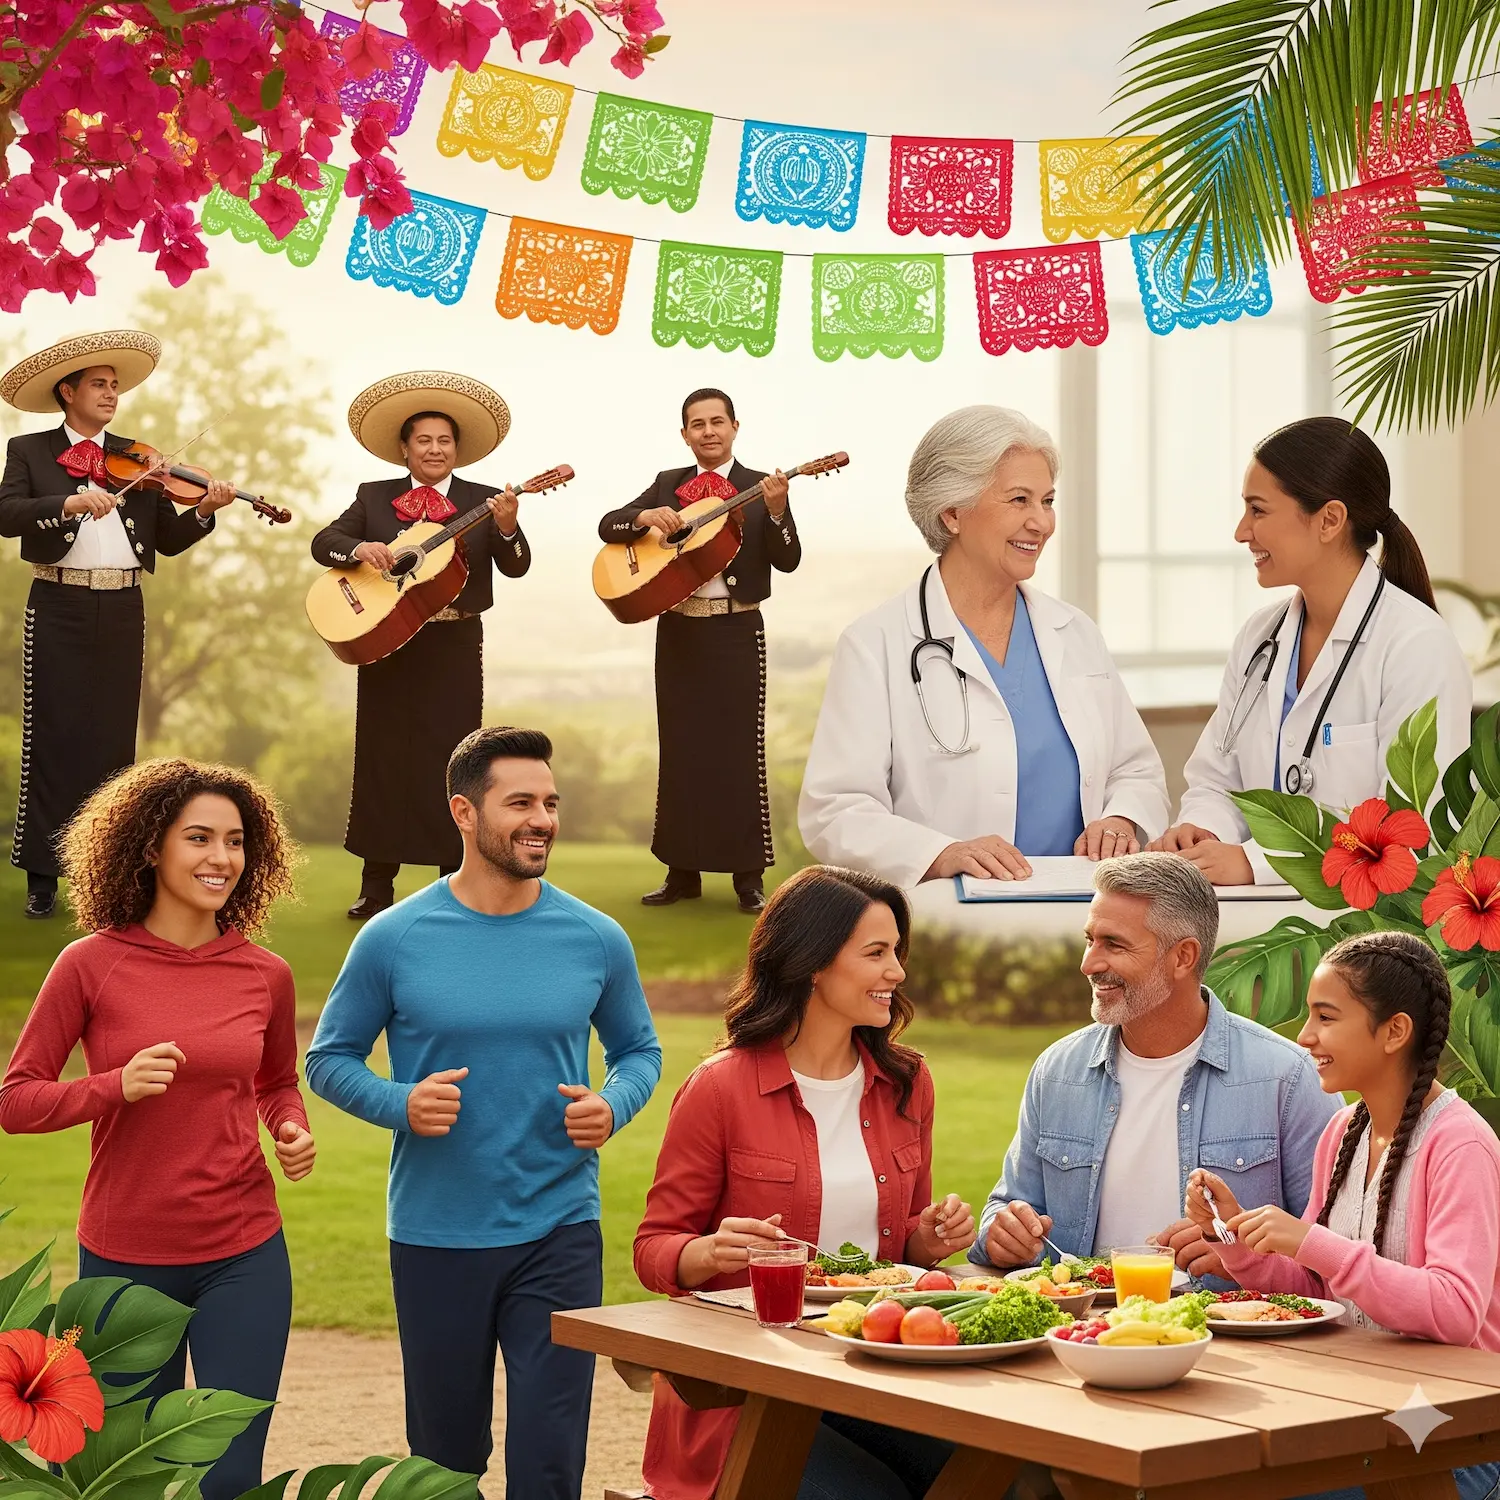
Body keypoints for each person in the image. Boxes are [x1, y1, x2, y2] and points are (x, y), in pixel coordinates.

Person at [305, 725, 662, 1499]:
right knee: (444, 1457)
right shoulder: (393, 939)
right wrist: (401, 1104)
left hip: (560, 1227)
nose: (542, 820)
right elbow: (327, 1060)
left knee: (549, 1454)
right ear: (465, 813)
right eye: (521, 802)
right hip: (438, 1233)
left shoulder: (596, 937)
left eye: (551, 803)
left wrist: (612, 1104)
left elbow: (641, 1052)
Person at [0, 759, 313, 1500]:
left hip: (245, 1250)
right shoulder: (90, 965)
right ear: (150, 847)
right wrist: (114, 1087)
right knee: (121, 1479)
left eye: (235, 842)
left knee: (230, 1475)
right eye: (199, 838)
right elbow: (16, 1100)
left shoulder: (265, 974)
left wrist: (291, 1129)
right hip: (123, 1256)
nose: (221, 859)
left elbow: (274, 1083)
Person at [635, 864, 977, 1500]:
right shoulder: (721, 1088)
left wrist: (927, 1239)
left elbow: (895, 1251)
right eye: (876, 953)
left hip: (873, 1369)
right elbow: (654, 1247)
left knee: (1004, 1477)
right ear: (813, 964)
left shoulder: (906, 1084)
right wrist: (705, 1252)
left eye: (897, 952)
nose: (897, 972)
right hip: (752, 1388)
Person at [799, 406, 1169, 891]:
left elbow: (1135, 769)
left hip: (1083, 912)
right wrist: (942, 853)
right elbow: (836, 810)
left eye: (1047, 500)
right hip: (955, 926)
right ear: (952, 513)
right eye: (1019, 500)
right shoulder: (877, 643)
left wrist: (1122, 819)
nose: (1042, 522)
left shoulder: (1073, 633)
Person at [1188, 930, 1500, 1500]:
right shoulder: (1343, 1132)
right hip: (1363, 1401)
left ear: (1394, 1032)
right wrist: (1234, 1237)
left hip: (1451, 1436)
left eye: (1326, 1018)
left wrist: (1312, 1241)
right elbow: (1316, 1286)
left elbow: (1456, 1312)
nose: (1305, 1036)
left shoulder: (1460, 1146)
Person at [971, 853, 1337, 1282]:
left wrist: (1247, 1261)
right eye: (1090, 939)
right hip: (1083, 1337)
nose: (1088, 963)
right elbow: (1008, 1206)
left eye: (1114, 944)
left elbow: (1334, 1250)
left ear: (1183, 957)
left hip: (1229, 1339)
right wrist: (1001, 1233)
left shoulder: (1287, 1078)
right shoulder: (1057, 1071)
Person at [1150, 417, 1472, 886]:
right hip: (1250, 915)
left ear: (1329, 520)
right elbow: (1217, 778)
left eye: (1258, 511)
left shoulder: (1415, 645)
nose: (1242, 532)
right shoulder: (1261, 637)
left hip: (1362, 933)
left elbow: (1413, 829)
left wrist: (1259, 863)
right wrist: (1204, 828)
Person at [0, 332, 237, 920]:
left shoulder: (139, 455)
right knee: (53, 736)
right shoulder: (28, 451)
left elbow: (171, 540)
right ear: (68, 391)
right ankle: (43, 874)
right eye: (99, 385)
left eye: (115, 386)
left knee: (112, 742)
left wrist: (204, 512)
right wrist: (69, 505)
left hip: (125, 606)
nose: (111, 395)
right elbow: (6, 516)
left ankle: (104, 870)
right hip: (58, 603)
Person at [312, 371, 530, 919]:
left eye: (444, 441)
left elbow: (518, 565)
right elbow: (324, 543)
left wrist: (506, 528)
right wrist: (362, 548)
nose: (435, 449)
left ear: (457, 450)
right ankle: (375, 882)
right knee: (381, 753)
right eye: (424, 441)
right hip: (385, 639)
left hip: (455, 639)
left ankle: (449, 878)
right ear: (404, 450)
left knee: (455, 759)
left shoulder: (485, 500)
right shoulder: (374, 497)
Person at [598, 388, 796, 914]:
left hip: (736, 631)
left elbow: (788, 558)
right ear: (684, 434)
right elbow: (609, 524)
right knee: (681, 750)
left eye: (717, 422)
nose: (708, 431)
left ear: (735, 426)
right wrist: (646, 519)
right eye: (696, 424)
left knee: (737, 752)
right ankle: (681, 873)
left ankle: (747, 879)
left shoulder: (761, 487)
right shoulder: (669, 485)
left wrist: (776, 513)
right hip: (679, 632)